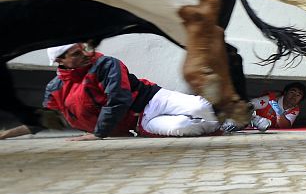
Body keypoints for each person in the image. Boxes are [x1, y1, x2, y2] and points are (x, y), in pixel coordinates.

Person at [0, 43, 220, 140]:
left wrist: (98, 133)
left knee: (200, 106)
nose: (85, 54)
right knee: (182, 127)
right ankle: (222, 124)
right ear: (60, 61)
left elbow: (118, 98)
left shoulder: (106, 64)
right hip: (139, 124)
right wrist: (6, 134)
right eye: (76, 53)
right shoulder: (55, 88)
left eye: (83, 49)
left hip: (152, 99)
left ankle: (235, 118)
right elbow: (44, 120)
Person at [223, 82, 306, 132]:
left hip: (268, 135)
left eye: (298, 95)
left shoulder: (295, 109)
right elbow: (249, 104)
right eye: (292, 92)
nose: (294, 96)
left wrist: (276, 108)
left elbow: (284, 126)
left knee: (264, 124)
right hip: (248, 126)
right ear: (285, 92)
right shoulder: (269, 99)